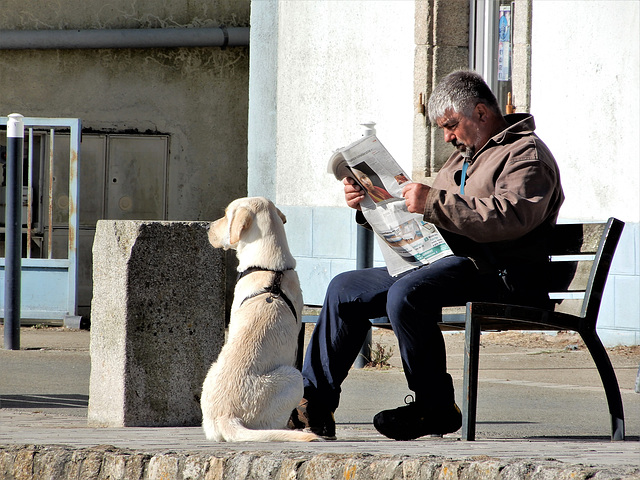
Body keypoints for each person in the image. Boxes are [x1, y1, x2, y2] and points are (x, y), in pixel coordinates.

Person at [288, 70, 565, 441]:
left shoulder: (524, 154)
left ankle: (434, 407)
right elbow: (433, 218)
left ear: (481, 113)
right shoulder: (461, 159)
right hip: (445, 265)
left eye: (452, 126)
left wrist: (432, 201)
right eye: (443, 129)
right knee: (345, 287)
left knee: (409, 294)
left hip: (499, 274)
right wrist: (371, 204)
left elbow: (512, 216)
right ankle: (314, 405)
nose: (448, 136)